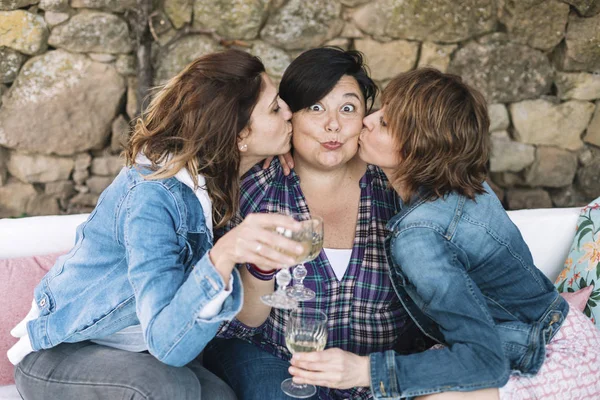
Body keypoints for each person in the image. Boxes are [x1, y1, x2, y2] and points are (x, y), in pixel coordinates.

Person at [8, 49, 308, 400]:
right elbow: (170, 347)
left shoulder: (220, 181)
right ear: (239, 133)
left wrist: (285, 148)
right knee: (170, 389)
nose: (290, 112)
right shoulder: (153, 197)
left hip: (143, 355)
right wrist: (223, 255)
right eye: (275, 108)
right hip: (63, 351)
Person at [288, 68, 600, 399]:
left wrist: (363, 370)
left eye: (385, 123)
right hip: (548, 335)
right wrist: (289, 146)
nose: (367, 119)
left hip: (550, 359)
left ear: (417, 149)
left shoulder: (418, 236)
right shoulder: (461, 181)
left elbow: (485, 361)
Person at [204, 47, 428, 400]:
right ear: (289, 115)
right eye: (316, 108)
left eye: (348, 108)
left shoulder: (394, 189)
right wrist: (261, 269)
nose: (333, 125)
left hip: (374, 369)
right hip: (275, 358)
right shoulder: (257, 190)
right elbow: (243, 321)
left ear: (366, 119)